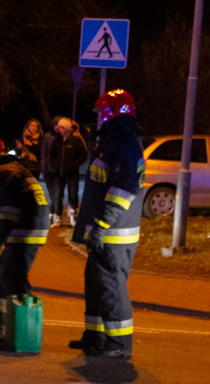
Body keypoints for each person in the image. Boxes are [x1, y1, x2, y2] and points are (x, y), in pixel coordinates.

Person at [69, 89, 145, 360]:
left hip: (114, 233)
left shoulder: (124, 143)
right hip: (103, 230)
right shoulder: (113, 141)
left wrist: (102, 224)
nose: (100, 117)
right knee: (95, 284)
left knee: (111, 286)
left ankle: (119, 343)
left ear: (115, 112)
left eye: (103, 112)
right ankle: (95, 335)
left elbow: (123, 189)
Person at [0, 134, 51, 334]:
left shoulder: (3, 172)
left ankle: (26, 331)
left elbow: (7, 213)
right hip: (29, 226)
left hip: (26, 229)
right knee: (6, 272)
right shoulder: (10, 169)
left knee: (15, 278)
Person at [54, 117, 87, 227]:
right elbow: (52, 155)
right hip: (59, 173)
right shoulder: (57, 141)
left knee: (73, 194)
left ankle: (73, 216)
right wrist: (55, 166)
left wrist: (74, 165)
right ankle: (58, 217)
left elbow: (83, 155)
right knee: (58, 194)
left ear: (67, 129)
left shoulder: (76, 141)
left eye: (61, 127)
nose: (59, 129)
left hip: (72, 173)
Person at [40, 117, 63, 226]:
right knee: (52, 194)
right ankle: (53, 214)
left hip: (59, 170)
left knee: (57, 193)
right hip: (49, 170)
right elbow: (44, 153)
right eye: (56, 125)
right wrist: (43, 167)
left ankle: (55, 215)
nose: (57, 128)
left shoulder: (63, 137)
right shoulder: (47, 137)